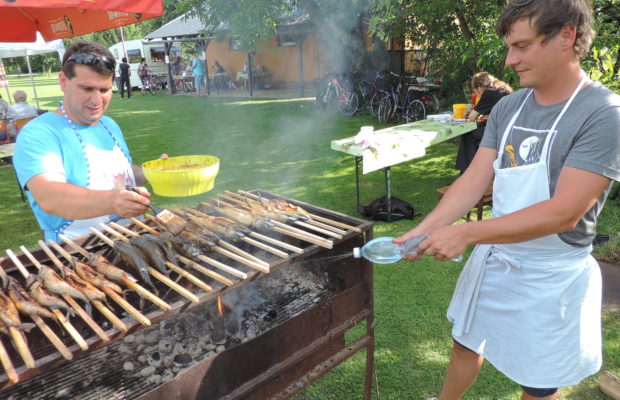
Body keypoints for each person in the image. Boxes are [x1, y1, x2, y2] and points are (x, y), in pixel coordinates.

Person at [394, 1, 620, 399]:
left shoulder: (602, 113)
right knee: (466, 341)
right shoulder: (510, 107)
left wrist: (467, 235)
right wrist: (425, 229)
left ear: (567, 36)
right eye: (509, 47)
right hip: (498, 259)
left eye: (522, 46)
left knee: (536, 381)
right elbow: (473, 180)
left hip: (550, 275)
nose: (509, 59)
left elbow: (564, 211)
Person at [13, 40, 157, 241]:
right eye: (87, 89)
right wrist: (113, 201)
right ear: (63, 81)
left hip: (134, 239)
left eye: (105, 90)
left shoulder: (109, 124)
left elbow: (119, 174)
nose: (97, 101)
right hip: (78, 251)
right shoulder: (38, 133)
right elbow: (50, 197)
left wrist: (155, 173)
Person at [455, 72, 512, 174]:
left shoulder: (489, 92)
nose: (477, 94)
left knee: (469, 134)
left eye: (475, 91)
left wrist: (470, 114)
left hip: (501, 135)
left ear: (480, 88)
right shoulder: (502, 88)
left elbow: (472, 118)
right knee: (478, 134)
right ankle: (477, 169)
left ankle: (467, 172)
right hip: (509, 131)